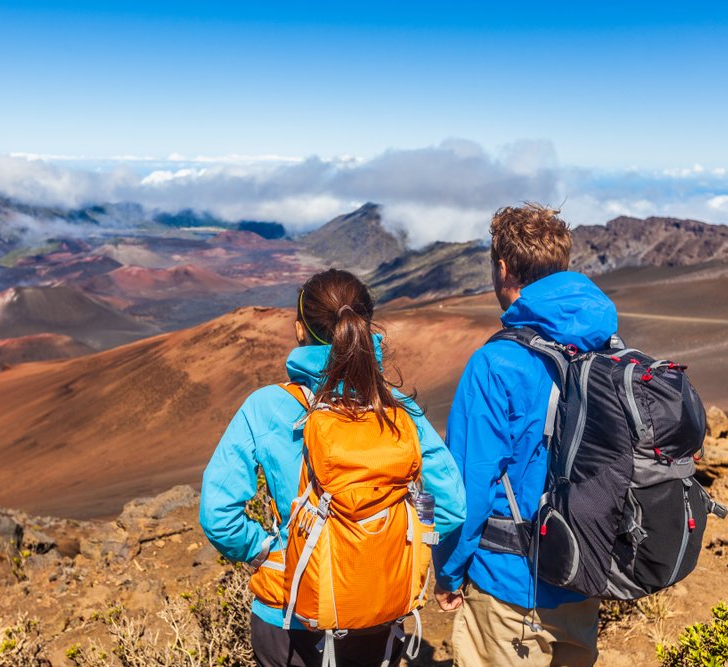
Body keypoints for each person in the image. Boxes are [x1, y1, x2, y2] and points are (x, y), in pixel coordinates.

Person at [200, 268, 466, 667]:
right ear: (365, 327)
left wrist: (265, 552)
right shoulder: (398, 411)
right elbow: (450, 505)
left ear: (298, 330)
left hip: (288, 610)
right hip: (376, 609)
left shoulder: (266, 407)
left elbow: (218, 515)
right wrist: (393, 549)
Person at [433, 203, 616, 666]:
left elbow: (469, 488)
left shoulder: (495, 364)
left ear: (502, 268)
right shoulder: (603, 347)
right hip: (582, 575)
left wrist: (450, 573)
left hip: (509, 589)